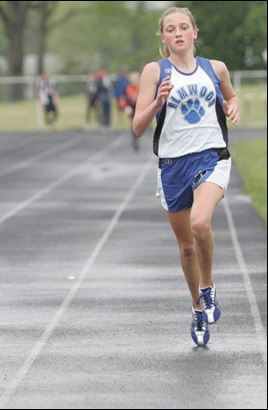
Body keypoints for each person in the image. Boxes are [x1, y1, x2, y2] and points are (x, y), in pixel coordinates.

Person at [132, 7, 239, 346]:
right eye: (170, 29)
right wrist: (157, 102)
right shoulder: (154, 72)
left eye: (183, 27)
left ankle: (207, 287)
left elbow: (230, 95)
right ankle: (196, 306)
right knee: (187, 247)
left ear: (195, 32)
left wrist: (232, 104)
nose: (177, 33)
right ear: (163, 38)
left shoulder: (215, 68)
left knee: (199, 222)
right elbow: (137, 127)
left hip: (212, 157)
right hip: (172, 166)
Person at [124, 71, 140, 150]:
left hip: (138, 106)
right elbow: (130, 98)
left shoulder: (140, 87)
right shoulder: (129, 87)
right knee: (133, 123)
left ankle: (136, 137)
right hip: (131, 106)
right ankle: (134, 138)